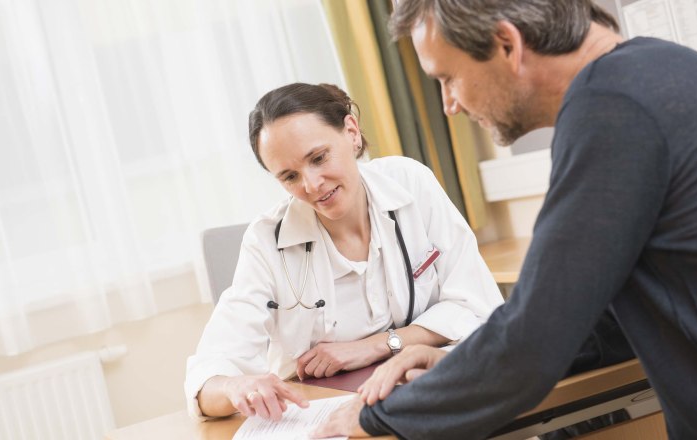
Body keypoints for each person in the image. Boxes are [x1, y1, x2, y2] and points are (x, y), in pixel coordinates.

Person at [313, 0, 697, 439]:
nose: (449, 104)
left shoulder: (613, 112)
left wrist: (376, 415)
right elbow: (598, 320)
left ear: (507, 43)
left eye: (448, 78)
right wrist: (457, 366)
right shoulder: (665, 69)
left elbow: (532, 340)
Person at [184, 82, 505, 421]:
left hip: (431, 389)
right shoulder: (266, 242)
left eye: (319, 158)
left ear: (351, 131)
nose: (311, 185)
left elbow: (480, 305)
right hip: (330, 412)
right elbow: (207, 379)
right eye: (290, 176)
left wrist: (376, 345)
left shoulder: (410, 184)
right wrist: (235, 387)